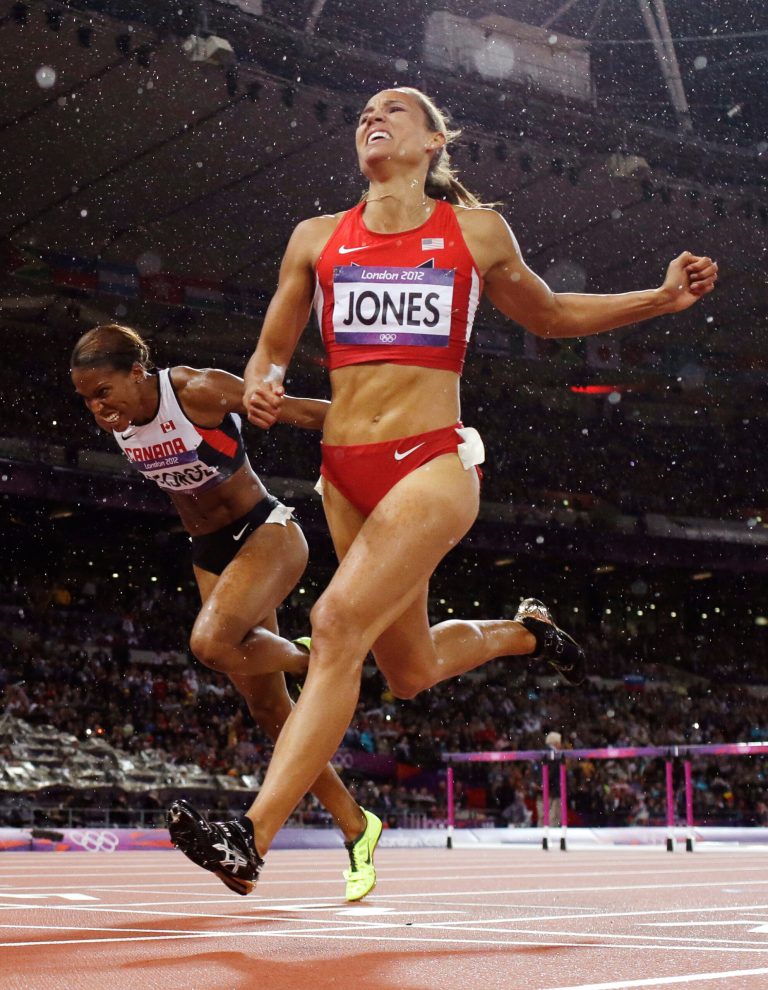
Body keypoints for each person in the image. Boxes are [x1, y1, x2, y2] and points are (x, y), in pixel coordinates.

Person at [167, 86, 718, 891]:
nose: (371, 116)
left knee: (335, 621)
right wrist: (264, 384)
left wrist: (661, 298)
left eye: (393, 108)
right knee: (411, 669)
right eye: (363, 112)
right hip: (344, 471)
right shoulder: (317, 239)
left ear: (434, 143)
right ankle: (526, 634)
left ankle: (251, 837)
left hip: (432, 460)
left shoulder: (474, 231)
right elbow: (270, 349)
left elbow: (553, 313)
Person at [70, 324, 383, 900]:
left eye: (104, 391)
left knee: (211, 645)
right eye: (87, 399)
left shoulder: (196, 390)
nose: (98, 407)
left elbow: (305, 413)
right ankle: (358, 827)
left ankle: (313, 660)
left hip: (265, 531)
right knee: (269, 712)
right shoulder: (120, 418)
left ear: (138, 374)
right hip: (211, 552)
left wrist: (394, 426)